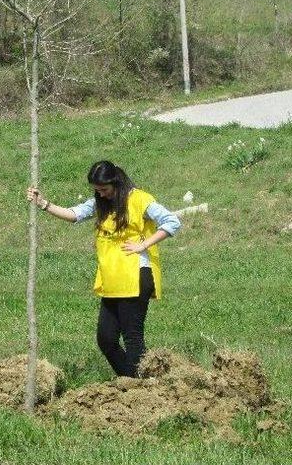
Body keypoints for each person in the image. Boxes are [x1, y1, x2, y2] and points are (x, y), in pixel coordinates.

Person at [27, 160, 181, 377]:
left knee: (132, 337)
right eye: (97, 191)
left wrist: (144, 244)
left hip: (135, 276)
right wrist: (43, 203)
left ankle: (144, 387)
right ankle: (132, 380)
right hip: (112, 280)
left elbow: (172, 221)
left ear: (116, 183)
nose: (101, 195)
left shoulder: (139, 199)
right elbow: (74, 214)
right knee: (106, 339)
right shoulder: (101, 203)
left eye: (104, 190)